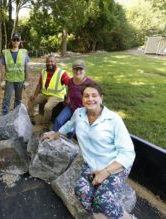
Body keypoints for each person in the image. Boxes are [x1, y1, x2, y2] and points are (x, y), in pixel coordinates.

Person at [42, 83, 136, 219]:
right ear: (82, 99)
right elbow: (69, 125)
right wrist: (55, 134)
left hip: (115, 166)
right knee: (81, 192)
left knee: (103, 201)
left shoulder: (113, 119)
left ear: (101, 98)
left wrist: (105, 172)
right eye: (86, 96)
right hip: (91, 164)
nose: (90, 99)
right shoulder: (79, 114)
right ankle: (99, 217)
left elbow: (128, 153)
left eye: (94, 95)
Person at [27, 55, 69, 130]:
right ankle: (31, 119)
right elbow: (39, 84)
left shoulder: (61, 73)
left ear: (55, 62)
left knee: (47, 107)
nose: (50, 63)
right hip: (44, 94)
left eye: (52, 61)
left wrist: (68, 98)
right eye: (48, 61)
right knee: (31, 101)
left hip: (57, 96)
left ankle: (46, 124)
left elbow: (69, 85)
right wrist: (35, 95)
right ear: (46, 63)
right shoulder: (43, 72)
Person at [53, 59, 94, 132]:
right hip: (71, 107)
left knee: (72, 131)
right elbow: (69, 90)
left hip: (82, 111)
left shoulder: (90, 83)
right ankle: (54, 139)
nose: (78, 71)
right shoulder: (70, 81)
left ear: (85, 70)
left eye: (80, 69)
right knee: (58, 121)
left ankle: (69, 142)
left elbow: (95, 100)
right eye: (75, 69)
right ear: (72, 70)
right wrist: (68, 99)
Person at [0, 32, 30, 116]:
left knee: (18, 99)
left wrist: (26, 81)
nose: (16, 41)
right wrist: (2, 81)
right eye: (14, 40)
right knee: (6, 100)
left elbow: (26, 67)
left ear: (20, 41)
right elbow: (2, 67)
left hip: (20, 80)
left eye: (18, 40)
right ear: (11, 41)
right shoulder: (5, 53)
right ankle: (4, 117)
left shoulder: (24, 53)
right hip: (9, 80)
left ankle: (15, 116)